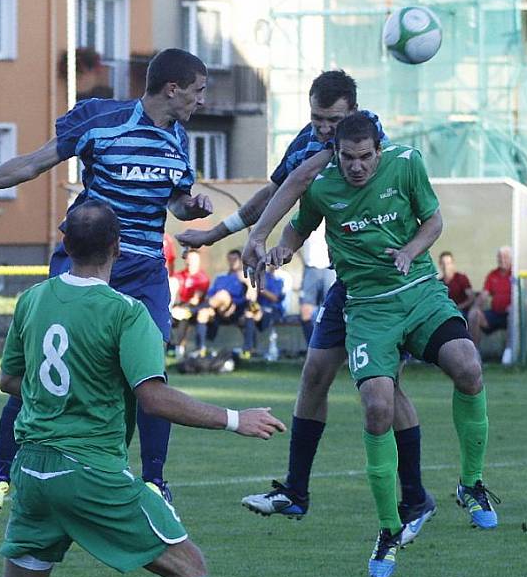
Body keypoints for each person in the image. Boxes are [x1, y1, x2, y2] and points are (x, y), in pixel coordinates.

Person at [0, 202, 285, 577]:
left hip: (32, 470)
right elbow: (154, 397)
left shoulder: (32, 299)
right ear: (118, 248)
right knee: (188, 566)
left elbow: (9, 380)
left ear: (64, 245)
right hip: (88, 472)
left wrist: (64, 390)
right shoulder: (127, 312)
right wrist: (235, 419)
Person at [0, 48, 212, 510]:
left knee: (149, 374)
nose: (202, 101)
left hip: (145, 268)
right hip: (85, 261)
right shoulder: (101, 120)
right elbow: (33, 162)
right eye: (199, 91)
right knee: (39, 368)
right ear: (173, 89)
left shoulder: (178, 138)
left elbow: (176, 201)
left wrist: (193, 208)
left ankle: (153, 482)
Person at [179, 70, 435, 543]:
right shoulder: (313, 135)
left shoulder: (361, 141)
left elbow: (300, 180)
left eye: (332, 120)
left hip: (387, 286)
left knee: (387, 389)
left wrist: (258, 238)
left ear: (355, 115)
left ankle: (416, 497)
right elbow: (276, 192)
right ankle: (296, 490)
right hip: (347, 286)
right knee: (314, 375)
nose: (323, 130)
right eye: (316, 118)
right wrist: (220, 235)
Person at [261, 114, 498, 577]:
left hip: (420, 293)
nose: (356, 167)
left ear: (379, 149)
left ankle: (471, 483)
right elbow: (298, 228)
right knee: (377, 408)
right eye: (348, 157)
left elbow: (433, 219)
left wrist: (410, 250)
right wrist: (281, 249)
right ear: (338, 153)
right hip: (369, 309)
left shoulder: (407, 164)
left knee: (468, 366)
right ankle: (389, 529)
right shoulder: (322, 184)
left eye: (365, 156)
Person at [195, 249, 253, 357]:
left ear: (241, 261)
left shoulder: (246, 276)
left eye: (235, 259)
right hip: (217, 310)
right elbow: (209, 296)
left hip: (236, 310)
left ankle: (248, 350)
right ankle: (200, 349)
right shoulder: (220, 277)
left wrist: (247, 283)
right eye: (230, 259)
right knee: (203, 313)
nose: (232, 262)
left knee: (223, 294)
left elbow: (252, 298)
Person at [468, 246, 512, 359]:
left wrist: (514, 307)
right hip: (495, 313)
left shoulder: (515, 274)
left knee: (512, 316)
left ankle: (509, 354)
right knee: (474, 315)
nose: (502, 260)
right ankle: (475, 353)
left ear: (511, 258)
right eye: (500, 257)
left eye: (505, 257)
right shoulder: (492, 274)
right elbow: (484, 295)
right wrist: (475, 307)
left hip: (510, 315)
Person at [298, 223, 336, 345]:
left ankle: (331, 347)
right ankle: (312, 347)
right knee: (305, 311)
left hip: (330, 268)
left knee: (332, 310)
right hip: (310, 267)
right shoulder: (306, 213)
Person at [171, 249, 210, 357]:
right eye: (189, 258)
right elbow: (172, 288)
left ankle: (185, 348)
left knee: (184, 314)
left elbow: (195, 300)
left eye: (193, 259)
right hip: (180, 306)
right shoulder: (180, 275)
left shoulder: (202, 278)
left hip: (196, 307)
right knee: (164, 316)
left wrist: (180, 308)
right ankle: (170, 348)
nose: (190, 261)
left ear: (198, 261)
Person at [242, 265, 285, 357]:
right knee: (249, 314)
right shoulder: (261, 276)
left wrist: (259, 288)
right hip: (259, 309)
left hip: (274, 311)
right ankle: (249, 350)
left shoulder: (280, 278)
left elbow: (274, 297)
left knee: (252, 315)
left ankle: (251, 349)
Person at [439, 251, 475, 316]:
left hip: (461, 311)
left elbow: (471, 298)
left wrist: (458, 307)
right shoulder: (438, 283)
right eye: (443, 263)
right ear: (440, 265)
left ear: (453, 264)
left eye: (448, 263)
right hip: (445, 312)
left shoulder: (461, 278)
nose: (445, 266)